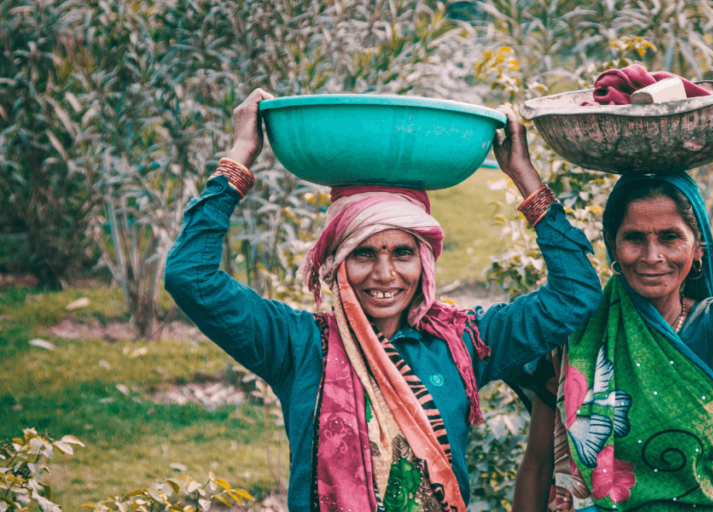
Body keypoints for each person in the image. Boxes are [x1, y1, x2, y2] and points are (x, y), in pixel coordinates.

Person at [163, 89, 603, 512]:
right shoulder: (297, 346)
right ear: (334, 263)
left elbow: (575, 294)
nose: (385, 274)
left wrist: (523, 175)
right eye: (364, 253)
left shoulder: (463, 343)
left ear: (425, 261)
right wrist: (241, 155)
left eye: (403, 253)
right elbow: (191, 276)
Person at [509, 72, 713, 512]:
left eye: (670, 238)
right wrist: (523, 174)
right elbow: (537, 464)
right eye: (634, 238)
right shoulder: (580, 331)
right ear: (614, 250)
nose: (651, 256)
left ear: (698, 251)